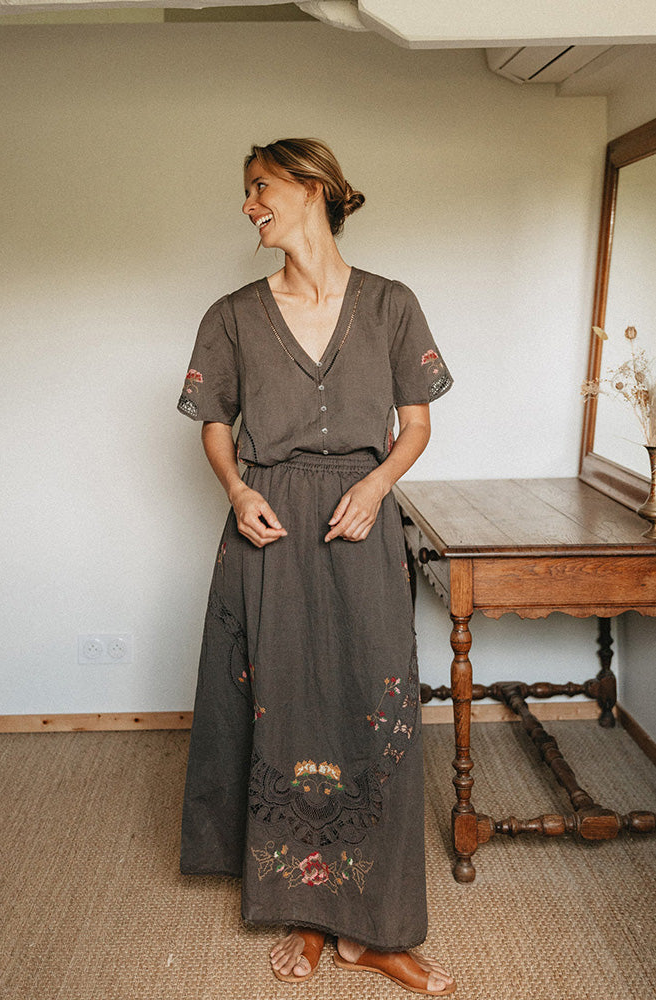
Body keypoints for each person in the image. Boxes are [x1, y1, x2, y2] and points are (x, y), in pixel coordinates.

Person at [177, 138, 456, 995]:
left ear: (312, 189)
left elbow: (416, 423)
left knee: (377, 708)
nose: (248, 204)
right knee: (286, 705)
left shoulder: (391, 303)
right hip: (269, 526)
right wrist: (235, 489)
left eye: (260, 186)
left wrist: (375, 486)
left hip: (360, 521)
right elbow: (215, 422)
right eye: (247, 191)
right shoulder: (232, 314)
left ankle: (377, 931)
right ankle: (305, 912)